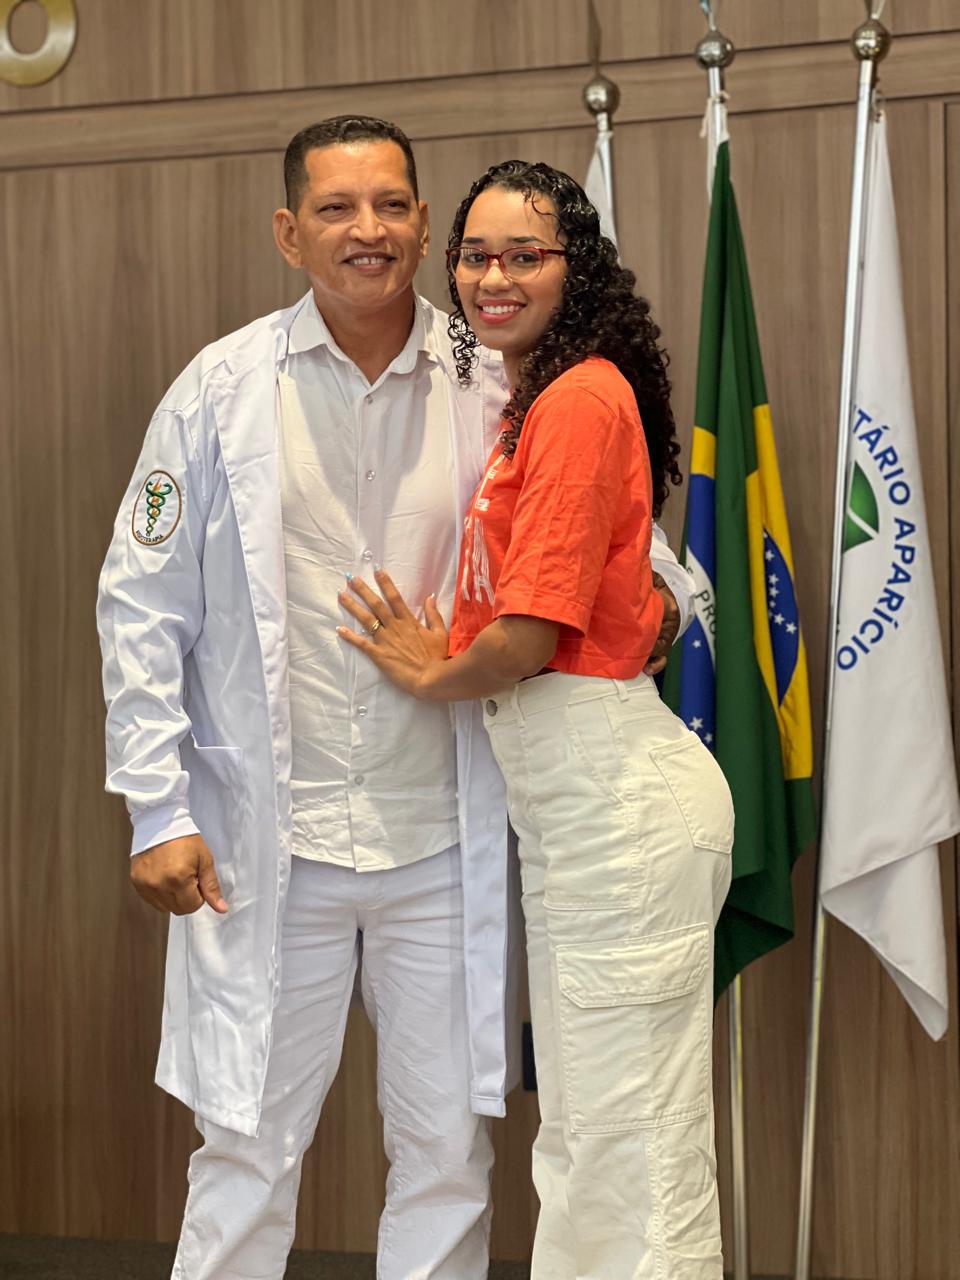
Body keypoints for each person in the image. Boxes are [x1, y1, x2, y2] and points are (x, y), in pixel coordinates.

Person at [96, 117, 693, 1280]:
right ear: (289, 233)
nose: (365, 230)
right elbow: (140, 603)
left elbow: (635, 559)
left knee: (446, 1151)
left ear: (425, 228)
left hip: (443, 841)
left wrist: (656, 616)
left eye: (389, 206)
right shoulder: (219, 391)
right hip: (269, 847)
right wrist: (157, 808)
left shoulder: (503, 375)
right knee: (246, 1147)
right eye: (335, 208)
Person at [339, 160, 734, 1279]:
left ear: (578, 268)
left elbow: (529, 631)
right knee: (588, 1132)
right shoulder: (544, 399)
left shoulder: (577, 399)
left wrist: (431, 671)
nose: (494, 277)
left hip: (619, 805)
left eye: (526, 254)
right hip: (579, 806)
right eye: (476, 255)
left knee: (630, 1145)